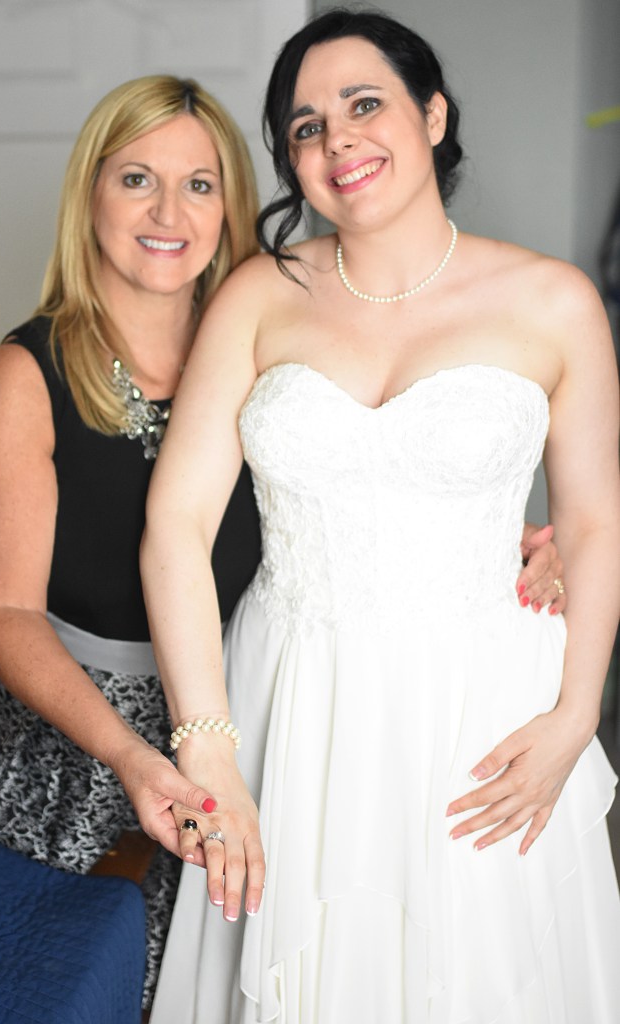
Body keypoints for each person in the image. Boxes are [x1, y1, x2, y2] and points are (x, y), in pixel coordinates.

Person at [142, 9, 620, 1023]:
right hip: (289, 699)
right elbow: (176, 522)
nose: (337, 140)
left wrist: (576, 713)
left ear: (431, 115)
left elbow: (590, 523)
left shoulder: (554, 302)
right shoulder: (256, 296)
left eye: (364, 105)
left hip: (481, 703)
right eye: (305, 125)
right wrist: (206, 741)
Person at [0, 74, 262, 1006]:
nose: (168, 212)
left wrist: (516, 539)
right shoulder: (24, 373)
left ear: (229, 210)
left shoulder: (265, 356)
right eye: (136, 179)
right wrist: (129, 753)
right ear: (90, 196)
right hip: (60, 734)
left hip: (235, 703)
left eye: (198, 184)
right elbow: (4, 611)